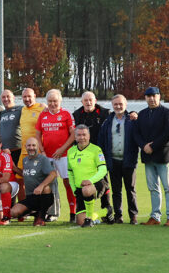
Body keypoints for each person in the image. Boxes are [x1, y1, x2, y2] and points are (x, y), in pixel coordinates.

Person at [134, 86, 169, 226]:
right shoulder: (142, 114)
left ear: (159, 96)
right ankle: (155, 217)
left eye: (154, 95)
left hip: (163, 156)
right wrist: (143, 146)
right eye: (149, 96)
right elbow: (136, 133)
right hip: (148, 157)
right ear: (145, 98)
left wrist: (152, 146)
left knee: (168, 188)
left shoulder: (167, 112)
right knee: (153, 188)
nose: (151, 98)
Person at [98, 95, 140, 224]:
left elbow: (139, 135)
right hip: (113, 161)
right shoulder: (108, 121)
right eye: (115, 104)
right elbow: (101, 140)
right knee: (116, 191)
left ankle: (133, 216)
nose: (118, 106)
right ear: (112, 105)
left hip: (128, 160)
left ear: (125, 104)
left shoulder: (132, 120)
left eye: (120, 104)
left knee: (130, 189)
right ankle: (118, 215)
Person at [73, 90, 114, 222]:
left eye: (91, 100)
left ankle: (106, 209)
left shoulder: (105, 113)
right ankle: (85, 211)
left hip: (99, 152)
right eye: (86, 100)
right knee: (83, 181)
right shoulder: (77, 114)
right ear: (82, 102)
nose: (88, 102)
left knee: (103, 180)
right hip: (83, 153)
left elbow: (119, 116)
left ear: (95, 101)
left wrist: (132, 114)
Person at [36, 89, 76, 222]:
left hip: (64, 155)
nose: (52, 104)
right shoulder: (43, 115)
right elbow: (37, 134)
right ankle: (52, 212)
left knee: (68, 183)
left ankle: (73, 212)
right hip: (48, 156)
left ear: (60, 101)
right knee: (50, 184)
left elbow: (73, 134)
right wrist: (41, 151)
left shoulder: (66, 114)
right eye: (50, 101)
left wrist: (62, 149)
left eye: (55, 101)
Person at [66, 125, 110, 227]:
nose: (82, 138)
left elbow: (103, 169)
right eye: (79, 135)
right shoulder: (70, 151)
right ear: (75, 137)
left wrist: (90, 181)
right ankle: (106, 211)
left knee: (86, 190)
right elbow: (70, 172)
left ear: (89, 136)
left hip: (96, 185)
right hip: (79, 189)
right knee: (80, 222)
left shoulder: (96, 150)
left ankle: (89, 219)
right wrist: (74, 189)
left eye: (84, 135)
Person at [10, 137, 56, 226]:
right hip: (30, 197)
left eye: (34, 145)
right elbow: (27, 174)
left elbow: (53, 174)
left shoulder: (43, 159)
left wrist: (41, 186)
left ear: (38, 147)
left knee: (46, 188)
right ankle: (35, 213)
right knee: (13, 213)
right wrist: (15, 168)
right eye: (29, 145)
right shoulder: (25, 160)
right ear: (25, 147)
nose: (31, 148)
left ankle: (41, 217)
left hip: (43, 196)